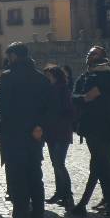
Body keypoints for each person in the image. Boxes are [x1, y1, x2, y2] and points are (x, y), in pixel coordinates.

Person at [0, 42, 53, 218]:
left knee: (17, 180)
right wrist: (39, 126)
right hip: (35, 135)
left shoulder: (8, 76)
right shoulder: (41, 78)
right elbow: (49, 107)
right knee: (35, 178)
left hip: (13, 135)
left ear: (13, 56)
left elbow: (2, 105)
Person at [71, 46, 110, 218]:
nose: (90, 55)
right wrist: (85, 98)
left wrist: (102, 91)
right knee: (101, 164)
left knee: (106, 165)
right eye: (89, 53)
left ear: (102, 56)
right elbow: (74, 96)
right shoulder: (85, 75)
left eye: (94, 53)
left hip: (106, 125)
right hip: (90, 126)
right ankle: (108, 201)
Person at [43, 64, 74, 210]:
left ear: (54, 75)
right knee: (56, 164)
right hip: (51, 132)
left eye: (48, 75)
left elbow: (68, 110)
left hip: (61, 131)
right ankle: (60, 192)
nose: (46, 77)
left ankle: (68, 195)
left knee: (59, 163)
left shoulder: (62, 89)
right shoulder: (50, 89)